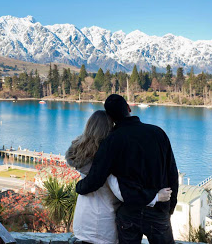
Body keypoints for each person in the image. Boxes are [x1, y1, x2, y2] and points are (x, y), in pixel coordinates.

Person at [76, 94, 179, 244]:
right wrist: (170, 207)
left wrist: (79, 187)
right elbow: (172, 173)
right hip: (158, 211)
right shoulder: (158, 133)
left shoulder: (111, 141)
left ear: (110, 118)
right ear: (129, 108)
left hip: (130, 212)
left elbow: (96, 178)